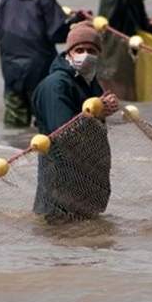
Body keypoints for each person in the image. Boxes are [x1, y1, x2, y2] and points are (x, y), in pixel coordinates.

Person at [31, 21, 119, 224]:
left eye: (92, 50)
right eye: (79, 49)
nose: (86, 55)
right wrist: (97, 114)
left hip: (83, 182)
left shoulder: (88, 82)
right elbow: (63, 134)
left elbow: (88, 121)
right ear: (68, 53)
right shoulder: (56, 86)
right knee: (62, 246)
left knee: (87, 247)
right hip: (60, 187)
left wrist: (104, 111)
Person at [0, 0, 88, 128]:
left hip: (11, 72)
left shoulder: (7, 1)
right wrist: (77, 20)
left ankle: (9, 150)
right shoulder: (46, 1)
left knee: (14, 124)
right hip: (39, 72)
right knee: (44, 123)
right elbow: (57, 34)